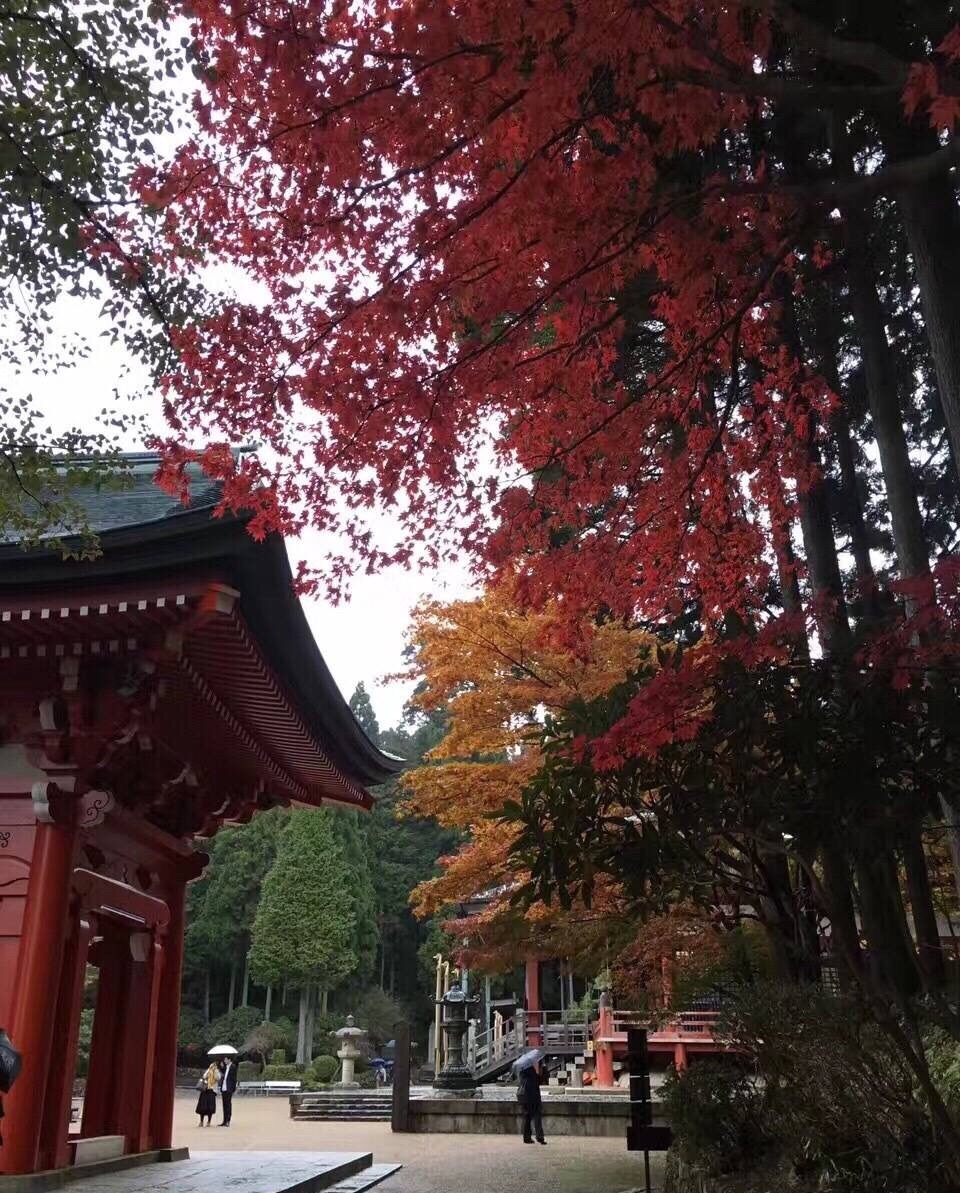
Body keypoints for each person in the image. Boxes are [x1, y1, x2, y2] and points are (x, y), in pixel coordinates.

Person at [517, 1060, 546, 1145]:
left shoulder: (522, 1073)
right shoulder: (530, 1072)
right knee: (537, 1117)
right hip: (533, 1098)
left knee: (528, 1118)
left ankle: (527, 1138)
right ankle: (540, 1137)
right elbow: (540, 1080)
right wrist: (542, 1068)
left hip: (525, 1099)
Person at [195, 1059, 219, 1127]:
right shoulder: (208, 1070)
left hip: (212, 1090)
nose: (213, 1066)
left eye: (214, 1065)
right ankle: (201, 1121)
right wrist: (209, 1071)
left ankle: (209, 1121)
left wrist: (214, 1072)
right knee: (202, 1107)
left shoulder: (216, 1071)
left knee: (210, 1107)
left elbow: (218, 1078)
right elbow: (204, 1076)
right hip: (205, 1089)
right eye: (212, 1065)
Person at [218, 1055, 238, 1126]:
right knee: (224, 1105)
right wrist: (221, 1066)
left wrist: (233, 1089)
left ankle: (228, 1121)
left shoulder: (233, 1067)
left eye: (226, 1059)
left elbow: (234, 1079)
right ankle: (224, 1121)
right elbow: (223, 1075)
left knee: (228, 1105)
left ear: (229, 1060)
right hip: (224, 1088)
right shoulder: (225, 1067)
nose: (224, 1061)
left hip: (229, 1088)